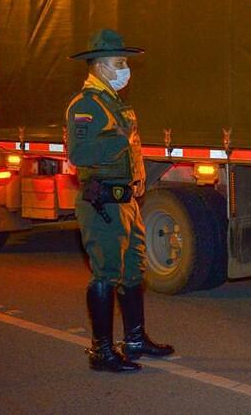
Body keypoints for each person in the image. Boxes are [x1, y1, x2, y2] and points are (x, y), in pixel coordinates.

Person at [67, 29, 174, 373]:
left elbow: (132, 146)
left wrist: (139, 178)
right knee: (106, 274)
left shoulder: (113, 102)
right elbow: (80, 153)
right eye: (119, 62)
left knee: (132, 271)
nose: (125, 68)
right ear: (99, 66)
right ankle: (101, 351)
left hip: (125, 201)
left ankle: (135, 340)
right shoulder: (85, 106)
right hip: (103, 204)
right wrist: (118, 140)